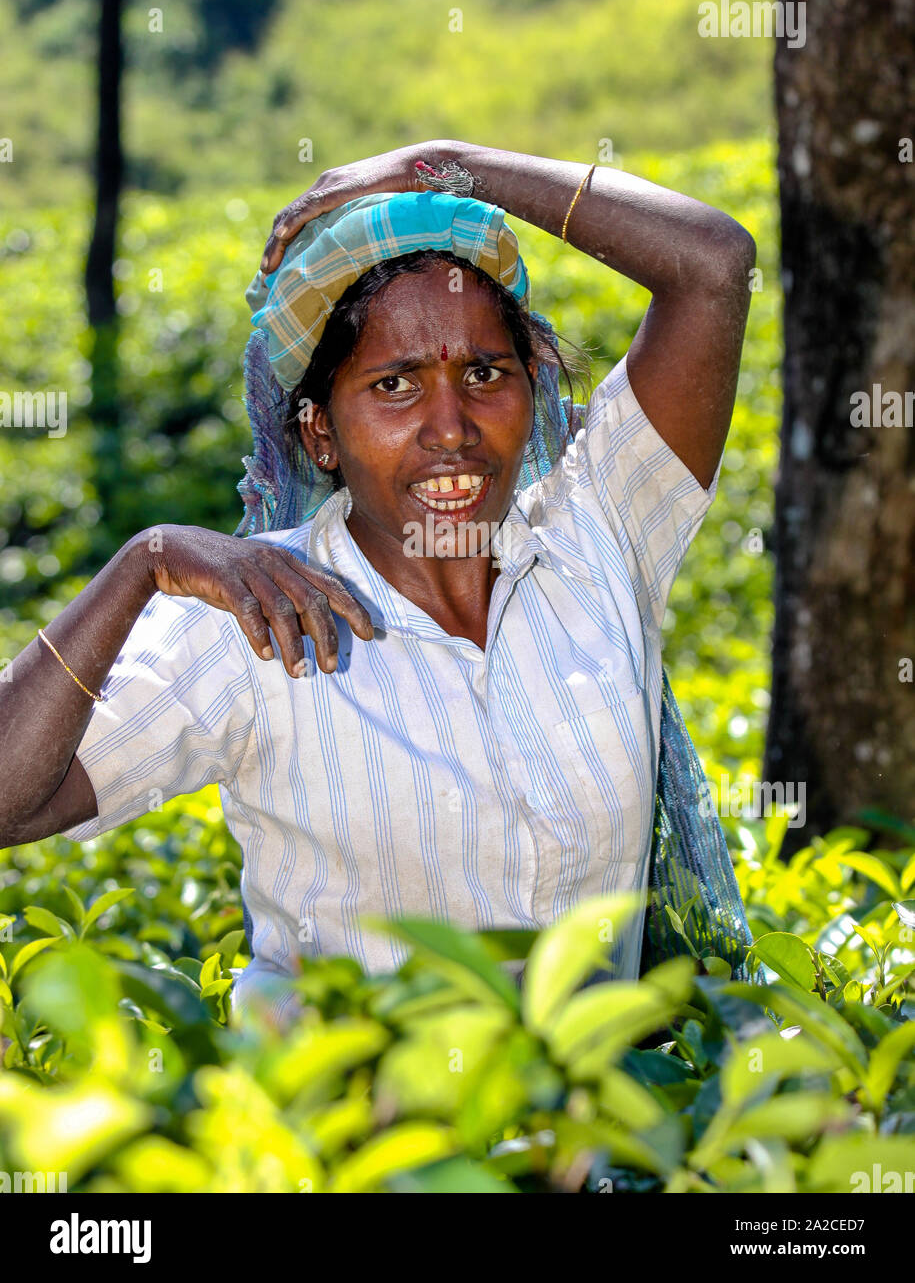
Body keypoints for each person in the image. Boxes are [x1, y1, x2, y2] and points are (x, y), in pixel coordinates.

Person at [0, 141, 756, 1029]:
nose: (450, 428)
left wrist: (439, 166)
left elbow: (712, 264)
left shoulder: (599, 534)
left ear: (533, 389)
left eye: (483, 374)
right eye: (393, 384)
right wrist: (147, 560)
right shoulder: (260, 615)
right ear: (320, 433)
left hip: (582, 1144)